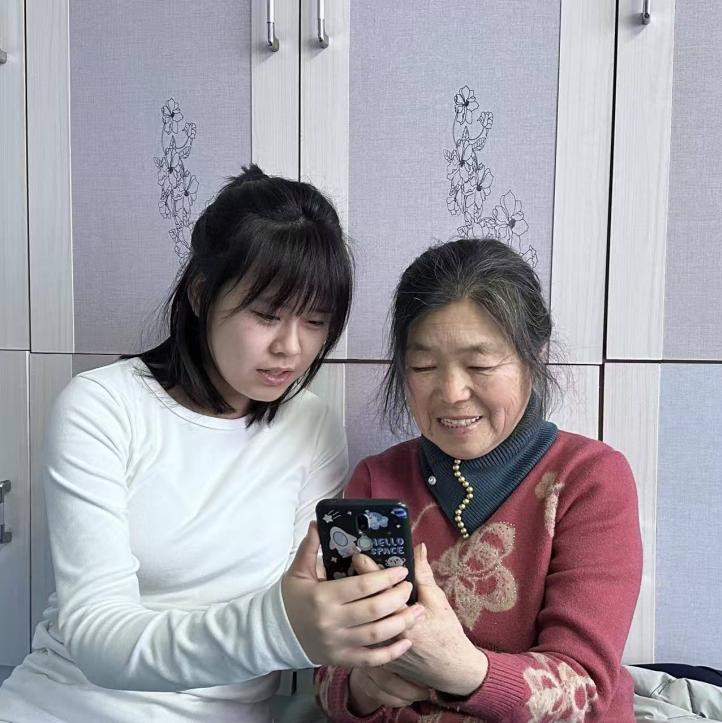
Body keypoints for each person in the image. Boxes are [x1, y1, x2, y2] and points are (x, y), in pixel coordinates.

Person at [0, 165, 423, 723]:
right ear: (202, 294)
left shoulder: (312, 425)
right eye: (266, 315)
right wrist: (281, 627)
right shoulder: (102, 406)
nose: (291, 348)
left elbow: (311, 610)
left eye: (315, 321)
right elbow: (97, 637)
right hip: (61, 705)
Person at [316, 238, 643, 722]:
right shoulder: (375, 480)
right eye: (424, 366)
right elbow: (329, 672)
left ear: (535, 356)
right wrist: (364, 687)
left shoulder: (589, 479)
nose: (451, 392)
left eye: (480, 365)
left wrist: (461, 670)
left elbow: (586, 691)